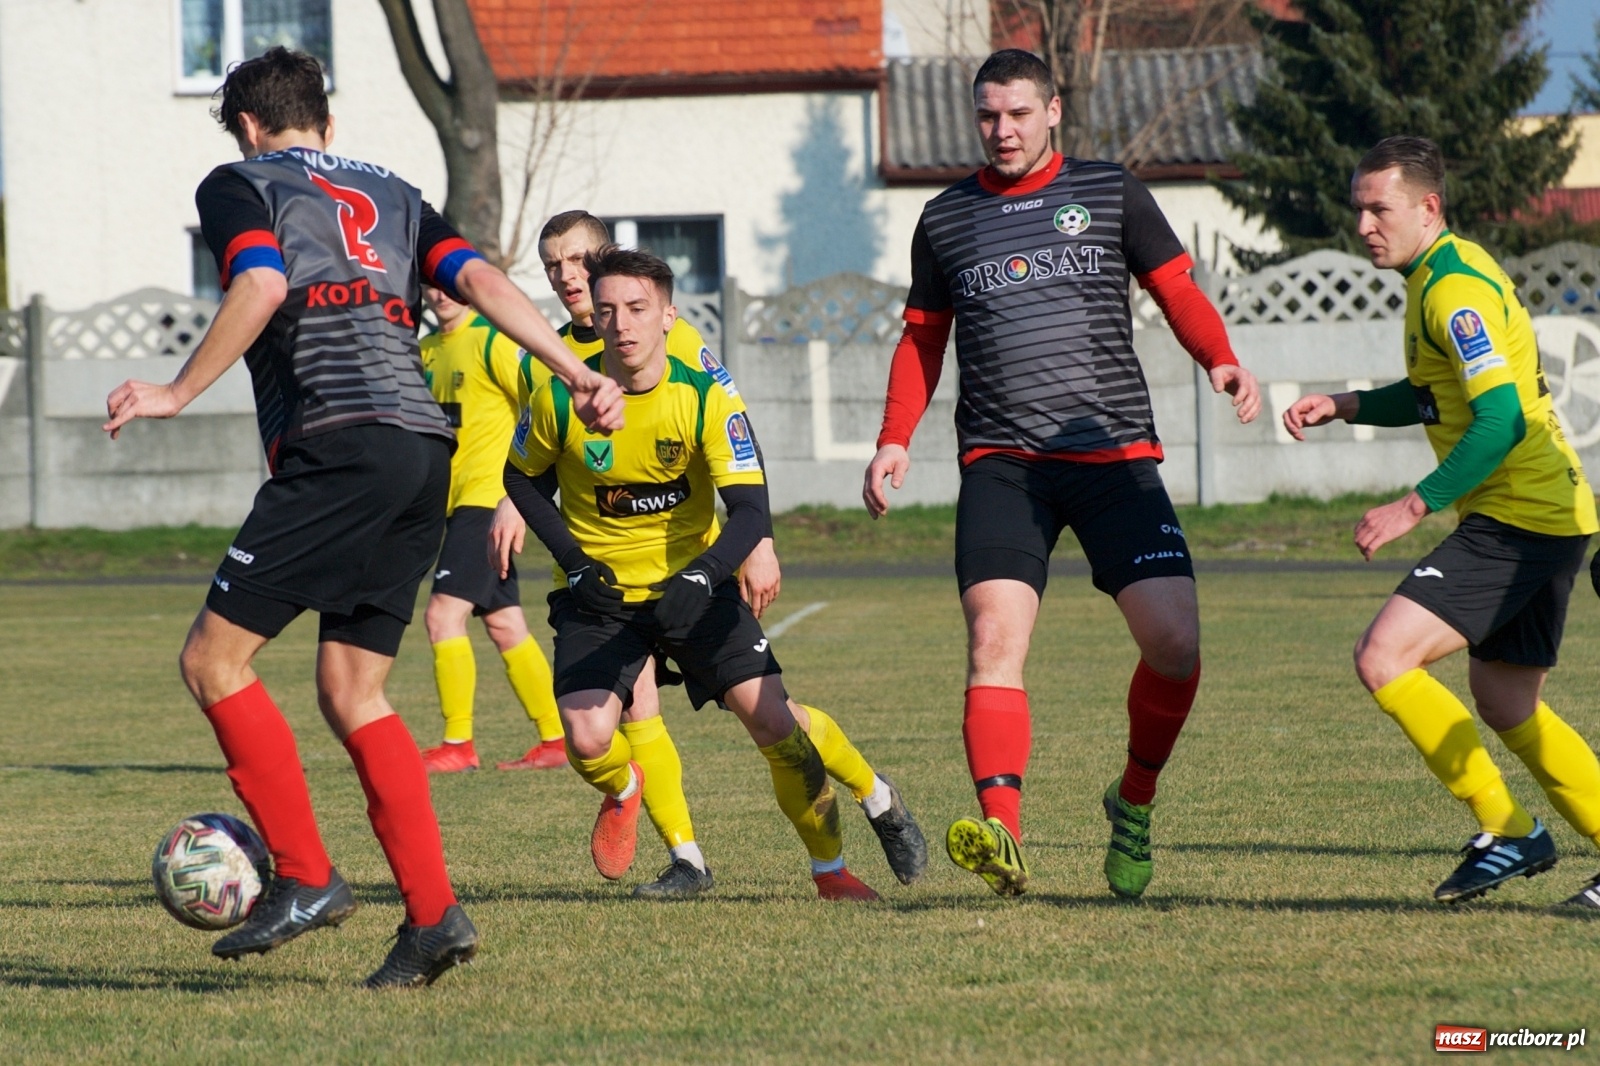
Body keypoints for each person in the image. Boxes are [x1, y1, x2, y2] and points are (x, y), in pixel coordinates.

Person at [101, 48, 623, 987]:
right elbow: (485, 283)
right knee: (353, 691)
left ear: (250, 127)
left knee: (212, 662)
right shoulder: (392, 191)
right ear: (326, 125)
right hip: (426, 450)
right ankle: (432, 920)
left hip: (339, 444)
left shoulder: (238, 182)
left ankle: (304, 876)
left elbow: (260, 286)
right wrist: (580, 370)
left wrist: (177, 390)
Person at [862, 48, 1261, 900]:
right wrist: (895, 437)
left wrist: (1219, 360)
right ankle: (1002, 836)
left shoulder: (1111, 192)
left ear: (1053, 112)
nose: (1001, 131)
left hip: (1114, 457)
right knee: (994, 644)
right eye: (986, 116)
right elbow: (923, 338)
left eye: (1016, 113)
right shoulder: (946, 219)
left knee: (1177, 646)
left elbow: (1176, 288)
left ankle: (1134, 801)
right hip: (1004, 465)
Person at [496, 247, 927, 900]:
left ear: (669, 316)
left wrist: (705, 575)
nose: (622, 324)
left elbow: (751, 507)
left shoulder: (702, 396)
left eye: (638, 309)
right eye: (608, 311)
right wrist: (575, 562)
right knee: (587, 740)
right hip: (600, 596)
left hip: (693, 587)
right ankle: (627, 789)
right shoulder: (561, 393)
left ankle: (840, 858)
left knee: (777, 724)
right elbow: (520, 479)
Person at [1283, 135, 1600, 905]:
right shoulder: (1440, 273)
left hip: (1519, 516)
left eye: (1378, 208)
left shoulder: (1451, 292)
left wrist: (1411, 504)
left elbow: (1496, 423)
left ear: (1429, 208)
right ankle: (1524, 830)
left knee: (1383, 656)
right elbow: (1437, 395)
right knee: (1505, 701)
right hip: (1549, 511)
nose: (1364, 225)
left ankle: (1509, 829)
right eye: (1358, 209)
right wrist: (1350, 404)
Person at [415, 284, 567, 773]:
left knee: (442, 617)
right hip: (456, 506)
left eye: (449, 281)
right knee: (505, 625)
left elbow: (542, 401)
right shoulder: (425, 351)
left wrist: (520, 492)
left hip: (488, 502)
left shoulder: (493, 341)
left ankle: (458, 743)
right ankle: (557, 739)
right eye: (429, 282)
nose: (440, 292)